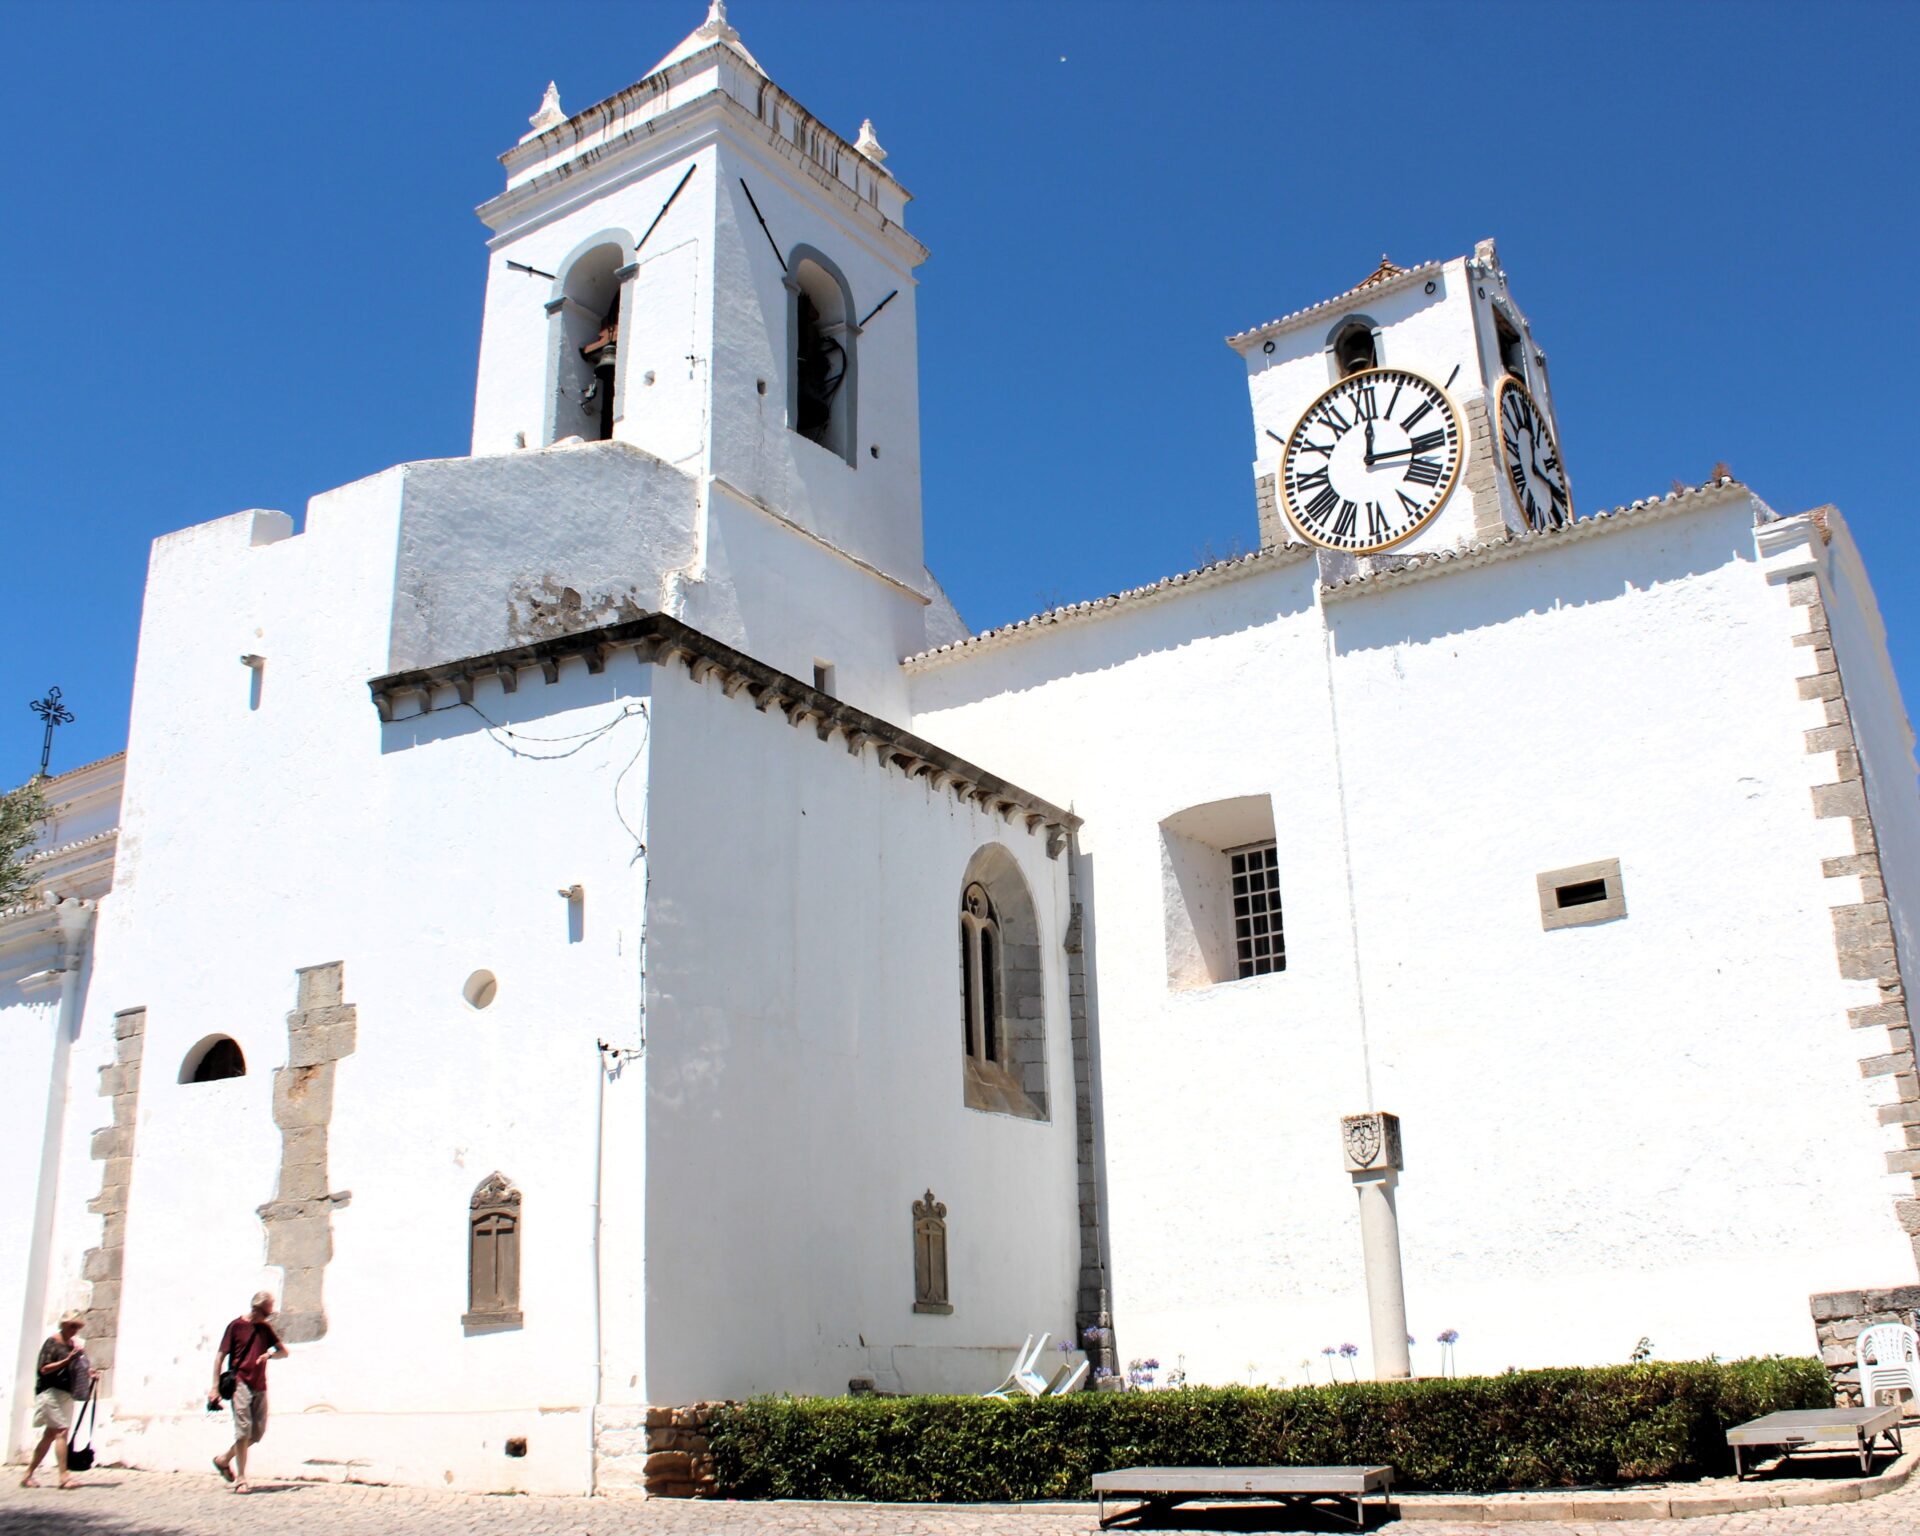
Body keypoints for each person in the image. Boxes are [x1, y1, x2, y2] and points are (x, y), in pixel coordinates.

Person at [208, 1290, 288, 1493]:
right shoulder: (236, 1326)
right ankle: (241, 1479)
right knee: (243, 1431)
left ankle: (224, 1459)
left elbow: (284, 1352)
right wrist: (214, 1387)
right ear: (256, 1309)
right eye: (266, 1312)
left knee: (256, 1433)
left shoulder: (265, 1329)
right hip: (240, 1383)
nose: (268, 1316)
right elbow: (219, 1357)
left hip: (260, 1385)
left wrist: (269, 1355)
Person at [22, 1310, 93, 1489]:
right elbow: (44, 1369)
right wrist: (67, 1360)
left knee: (50, 1435)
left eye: (77, 1326)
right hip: (50, 1392)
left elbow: (75, 1368)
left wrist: (89, 1372)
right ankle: (64, 1477)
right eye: (72, 1325)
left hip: (65, 1394)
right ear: (63, 1324)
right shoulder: (52, 1343)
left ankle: (28, 1474)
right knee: (61, 1431)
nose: (75, 1329)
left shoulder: (73, 1345)